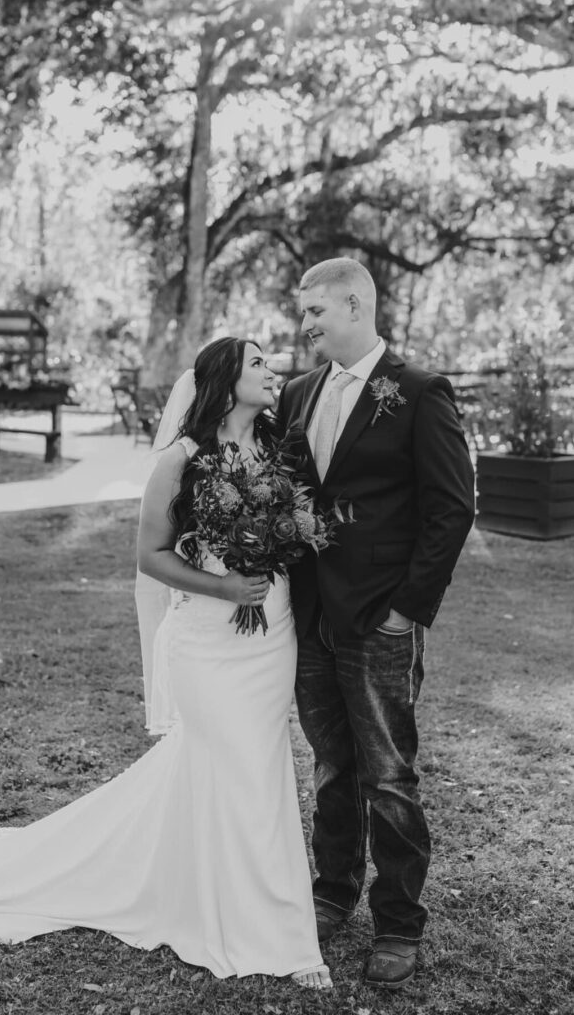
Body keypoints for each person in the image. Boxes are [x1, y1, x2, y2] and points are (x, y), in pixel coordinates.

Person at [0, 337, 331, 990]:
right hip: (207, 640)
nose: (272, 372)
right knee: (234, 765)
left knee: (260, 767)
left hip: (271, 635)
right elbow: (150, 556)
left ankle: (240, 902)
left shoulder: (277, 449)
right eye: (258, 363)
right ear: (224, 381)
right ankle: (269, 931)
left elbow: (302, 526)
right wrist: (225, 587)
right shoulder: (179, 459)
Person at [277, 258, 475, 990]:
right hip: (310, 616)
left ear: (355, 305)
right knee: (332, 767)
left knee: (388, 777)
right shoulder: (297, 393)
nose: (305, 325)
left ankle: (397, 921)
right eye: (303, 313)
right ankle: (332, 892)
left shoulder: (419, 392)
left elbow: (452, 508)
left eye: (315, 312)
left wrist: (405, 611)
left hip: (380, 620)